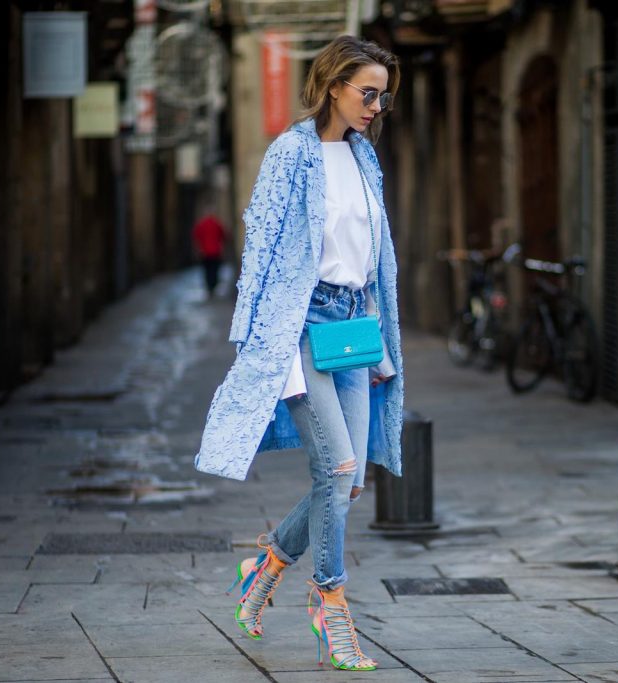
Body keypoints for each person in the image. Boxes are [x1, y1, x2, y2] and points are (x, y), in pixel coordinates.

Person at [194, 36, 403, 672]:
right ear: (334, 85)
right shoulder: (291, 154)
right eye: (368, 92)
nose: (375, 106)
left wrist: (382, 341)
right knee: (336, 468)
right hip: (302, 325)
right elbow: (260, 253)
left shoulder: (365, 159)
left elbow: (373, 258)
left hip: (352, 326)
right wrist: (267, 348)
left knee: (351, 478)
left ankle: (266, 565)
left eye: (383, 97)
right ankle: (330, 602)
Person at [192, 208, 226, 298]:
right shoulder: (217, 223)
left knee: (207, 270)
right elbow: (223, 235)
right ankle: (213, 285)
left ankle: (209, 286)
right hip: (215, 251)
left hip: (205, 252)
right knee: (214, 269)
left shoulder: (201, 224)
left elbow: (196, 236)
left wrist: (198, 249)